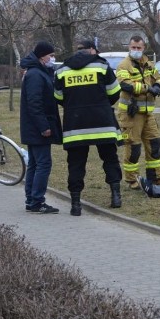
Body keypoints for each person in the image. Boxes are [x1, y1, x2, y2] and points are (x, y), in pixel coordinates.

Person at [55, 38, 123, 215]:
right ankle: (116, 196)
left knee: (76, 164)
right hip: (102, 123)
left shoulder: (61, 70)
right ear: (91, 51)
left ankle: (75, 205)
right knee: (110, 159)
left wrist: (75, 106)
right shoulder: (101, 66)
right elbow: (115, 92)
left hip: (75, 126)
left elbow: (58, 97)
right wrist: (100, 105)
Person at [115, 35, 160, 190]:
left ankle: (156, 177)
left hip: (148, 114)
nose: (136, 50)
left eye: (139, 48)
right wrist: (147, 88)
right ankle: (132, 180)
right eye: (133, 47)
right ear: (129, 47)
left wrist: (158, 86)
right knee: (133, 147)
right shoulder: (123, 65)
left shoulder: (149, 64)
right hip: (131, 115)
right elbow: (126, 85)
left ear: (144, 48)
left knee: (155, 144)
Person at [19, 41, 63, 214]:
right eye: (51, 55)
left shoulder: (38, 72)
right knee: (43, 164)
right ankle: (37, 200)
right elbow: (35, 103)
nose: (53, 58)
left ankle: (31, 199)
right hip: (37, 128)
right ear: (42, 56)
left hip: (33, 127)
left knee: (35, 164)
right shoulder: (36, 75)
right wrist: (44, 126)